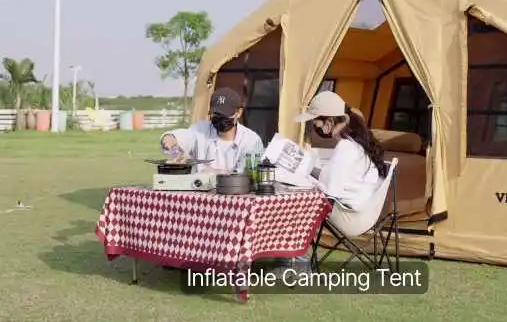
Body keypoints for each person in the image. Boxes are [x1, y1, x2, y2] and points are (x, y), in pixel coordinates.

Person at [272, 91, 389, 276]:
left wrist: (300, 174)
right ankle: (291, 260)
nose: (313, 127)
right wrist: (309, 169)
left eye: (314, 123)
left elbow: (329, 189)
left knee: (294, 201)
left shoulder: (346, 148)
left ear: (329, 123)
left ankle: (298, 266)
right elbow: (335, 178)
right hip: (359, 210)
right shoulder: (354, 143)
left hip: (349, 216)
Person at [159, 87, 264, 174]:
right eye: (216, 114)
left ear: (239, 112)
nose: (220, 118)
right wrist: (171, 140)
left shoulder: (251, 140)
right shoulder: (200, 130)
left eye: (225, 114)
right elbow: (182, 137)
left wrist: (214, 172)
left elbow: (247, 175)